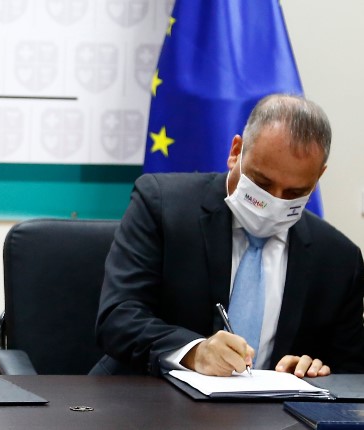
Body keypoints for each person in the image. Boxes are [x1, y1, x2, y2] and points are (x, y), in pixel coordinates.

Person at [91, 94, 364, 378]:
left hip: (271, 407)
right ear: (236, 152)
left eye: (295, 193)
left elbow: (351, 373)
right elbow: (118, 317)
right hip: (145, 397)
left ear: (318, 178)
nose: (274, 202)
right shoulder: (161, 205)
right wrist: (194, 352)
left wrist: (317, 372)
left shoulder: (339, 260)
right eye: (262, 183)